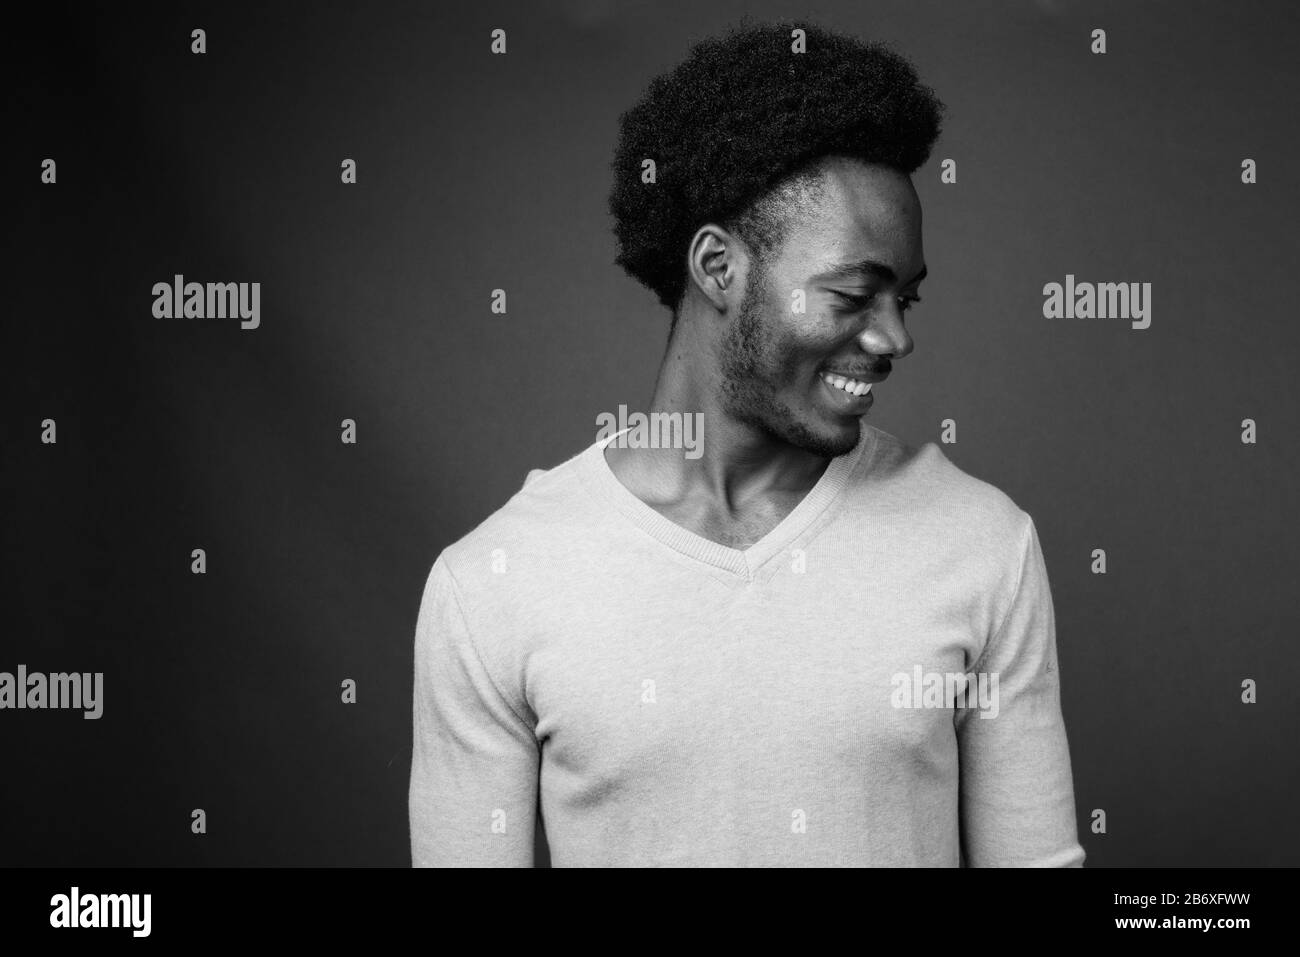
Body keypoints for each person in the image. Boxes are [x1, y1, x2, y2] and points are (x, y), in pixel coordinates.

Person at [409, 19, 1085, 867]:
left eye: (904, 299)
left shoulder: (982, 545)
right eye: (851, 294)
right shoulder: (495, 585)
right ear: (718, 267)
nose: (893, 339)